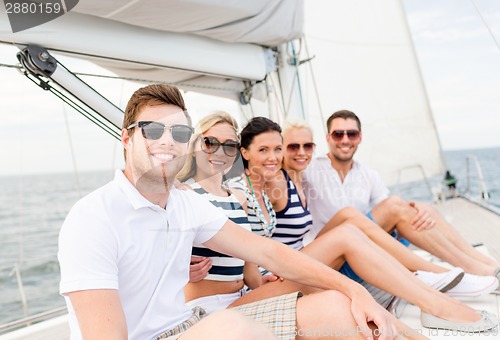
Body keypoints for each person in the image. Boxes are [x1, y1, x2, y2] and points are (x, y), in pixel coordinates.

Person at [58, 85, 401, 340]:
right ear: (126, 139)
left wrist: (355, 291)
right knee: (233, 328)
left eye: (178, 132)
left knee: (338, 309)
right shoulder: (93, 218)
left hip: (190, 323)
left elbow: (268, 252)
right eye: (151, 129)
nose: (166, 141)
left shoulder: (185, 204)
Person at [221, 117, 497, 333]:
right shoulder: (256, 187)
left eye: (278, 149)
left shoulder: (287, 179)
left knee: (351, 216)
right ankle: (434, 289)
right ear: (244, 152)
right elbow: (247, 265)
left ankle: (447, 276)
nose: (279, 155)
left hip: (292, 260)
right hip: (276, 275)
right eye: (288, 147)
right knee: (348, 231)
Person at [303, 110, 500, 281]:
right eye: (338, 134)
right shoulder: (309, 170)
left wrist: (415, 208)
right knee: (396, 205)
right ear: (328, 138)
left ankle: (485, 263)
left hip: (363, 249)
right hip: (334, 258)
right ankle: (473, 269)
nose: (345, 140)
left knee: (425, 209)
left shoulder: (368, 174)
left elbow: (390, 212)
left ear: (360, 137)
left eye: (351, 134)